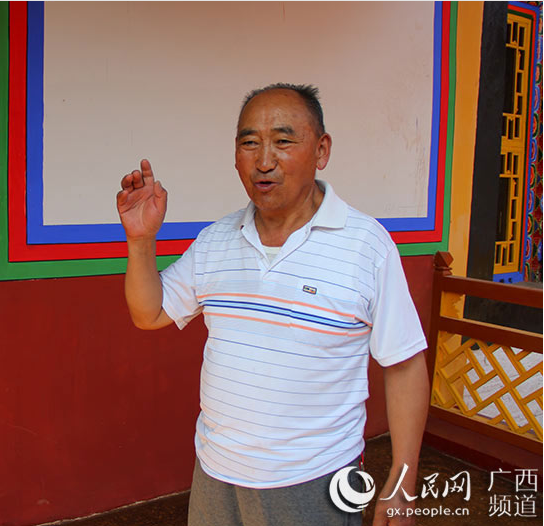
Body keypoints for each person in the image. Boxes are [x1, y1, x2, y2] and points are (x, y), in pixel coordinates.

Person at [116, 83, 429, 526]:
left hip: (316, 478)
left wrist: (401, 483)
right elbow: (149, 313)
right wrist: (141, 240)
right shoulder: (216, 241)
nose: (264, 161)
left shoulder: (366, 246)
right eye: (249, 143)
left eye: (283, 141)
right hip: (215, 472)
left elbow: (405, 365)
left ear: (321, 150)